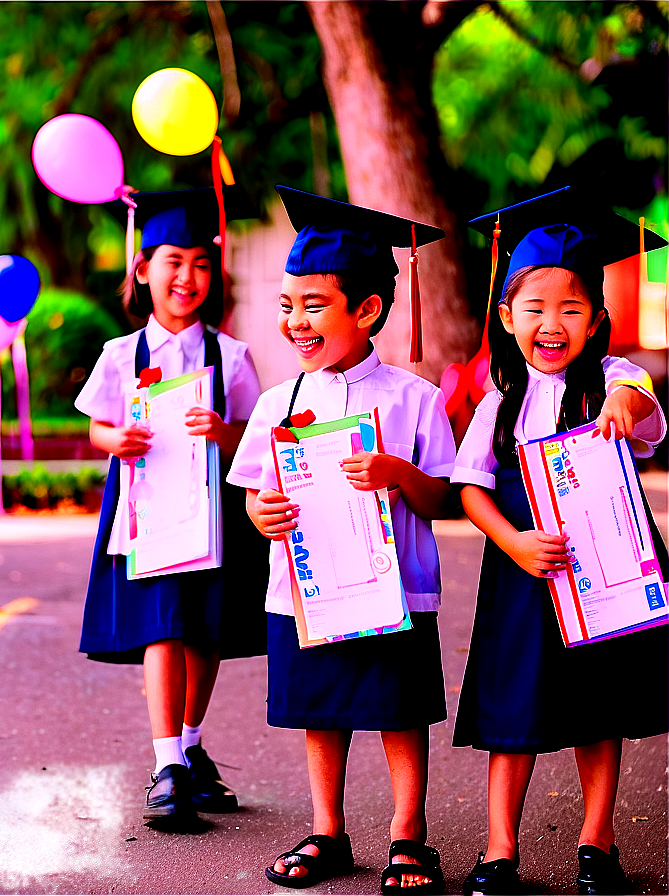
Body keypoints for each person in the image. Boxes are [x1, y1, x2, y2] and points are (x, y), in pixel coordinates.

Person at [228, 186, 456, 891]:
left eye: (314, 306)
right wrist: (261, 516)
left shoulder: (413, 398)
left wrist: (398, 473)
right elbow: (254, 497)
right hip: (308, 589)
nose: (295, 321)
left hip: (396, 591)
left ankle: (407, 833)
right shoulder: (277, 403)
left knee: (396, 708)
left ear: (367, 310)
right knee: (319, 710)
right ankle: (327, 828)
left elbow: (441, 497)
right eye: (287, 305)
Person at [451, 186, 669, 895]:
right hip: (523, 572)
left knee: (597, 708)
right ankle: (499, 849)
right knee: (514, 709)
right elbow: (470, 488)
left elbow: (640, 400)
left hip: (601, 571)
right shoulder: (499, 401)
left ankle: (596, 842)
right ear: (507, 315)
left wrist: (618, 406)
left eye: (571, 309)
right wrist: (511, 542)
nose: (552, 323)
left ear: (597, 321)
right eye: (536, 308)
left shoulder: (611, 377)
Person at [75, 186, 266, 830]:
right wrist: (115, 438)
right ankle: (166, 766)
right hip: (146, 507)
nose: (188, 277)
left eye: (201, 264)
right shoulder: (119, 354)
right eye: (174, 261)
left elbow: (256, 433)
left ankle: (189, 744)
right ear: (144, 269)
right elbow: (97, 428)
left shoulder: (231, 356)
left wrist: (223, 432)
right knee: (163, 625)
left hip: (212, 509)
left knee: (204, 629)